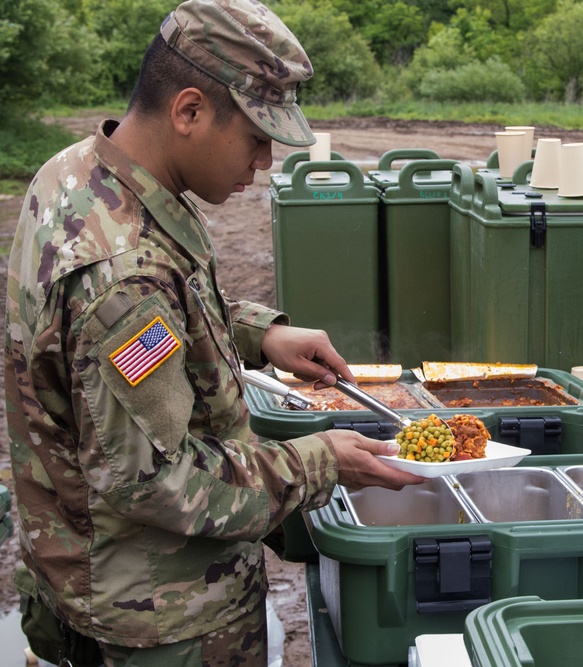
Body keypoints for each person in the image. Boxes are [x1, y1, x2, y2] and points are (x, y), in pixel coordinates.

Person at [5, 1, 426, 664]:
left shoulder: (84, 175)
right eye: (257, 137)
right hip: (159, 618)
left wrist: (260, 333)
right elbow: (153, 480)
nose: (264, 162)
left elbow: (162, 315)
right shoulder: (121, 268)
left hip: (113, 580)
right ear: (190, 111)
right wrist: (318, 462)